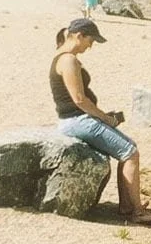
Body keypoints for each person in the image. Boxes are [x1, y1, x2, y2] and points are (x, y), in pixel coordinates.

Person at [51, 18, 145, 220]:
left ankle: (127, 207)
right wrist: (105, 119)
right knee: (130, 152)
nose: (90, 46)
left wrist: (103, 117)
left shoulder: (62, 57)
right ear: (79, 36)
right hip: (77, 121)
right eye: (90, 41)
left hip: (74, 120)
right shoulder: (68, 60)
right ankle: (137, 212)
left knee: (126, 150)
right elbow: (78, 99)